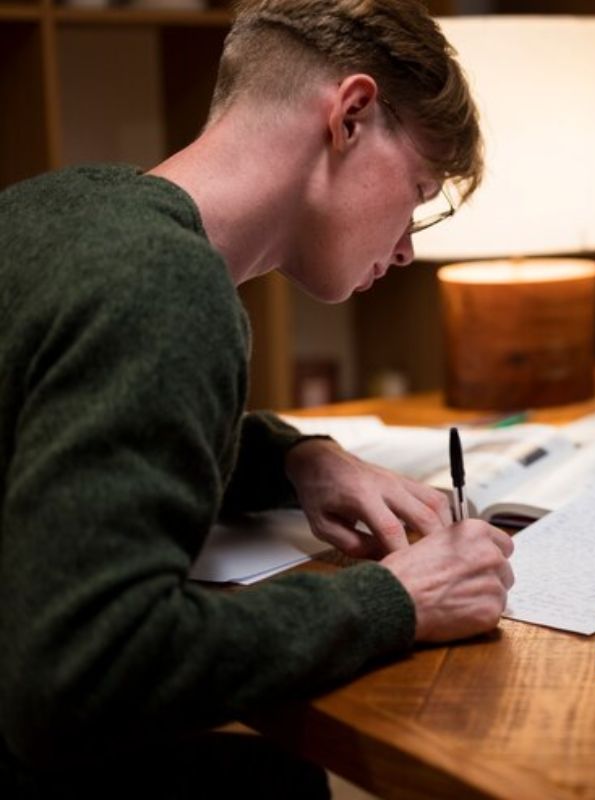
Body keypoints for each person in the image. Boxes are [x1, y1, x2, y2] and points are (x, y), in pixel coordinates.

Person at [0, 2, 513, 797]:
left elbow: (61, 426)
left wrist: (292, 458)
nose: (408, 246)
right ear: (350, 114)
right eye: (418, 190)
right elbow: (78, 676)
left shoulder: (61, 209)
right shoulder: (164, 288)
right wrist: (396, 599)